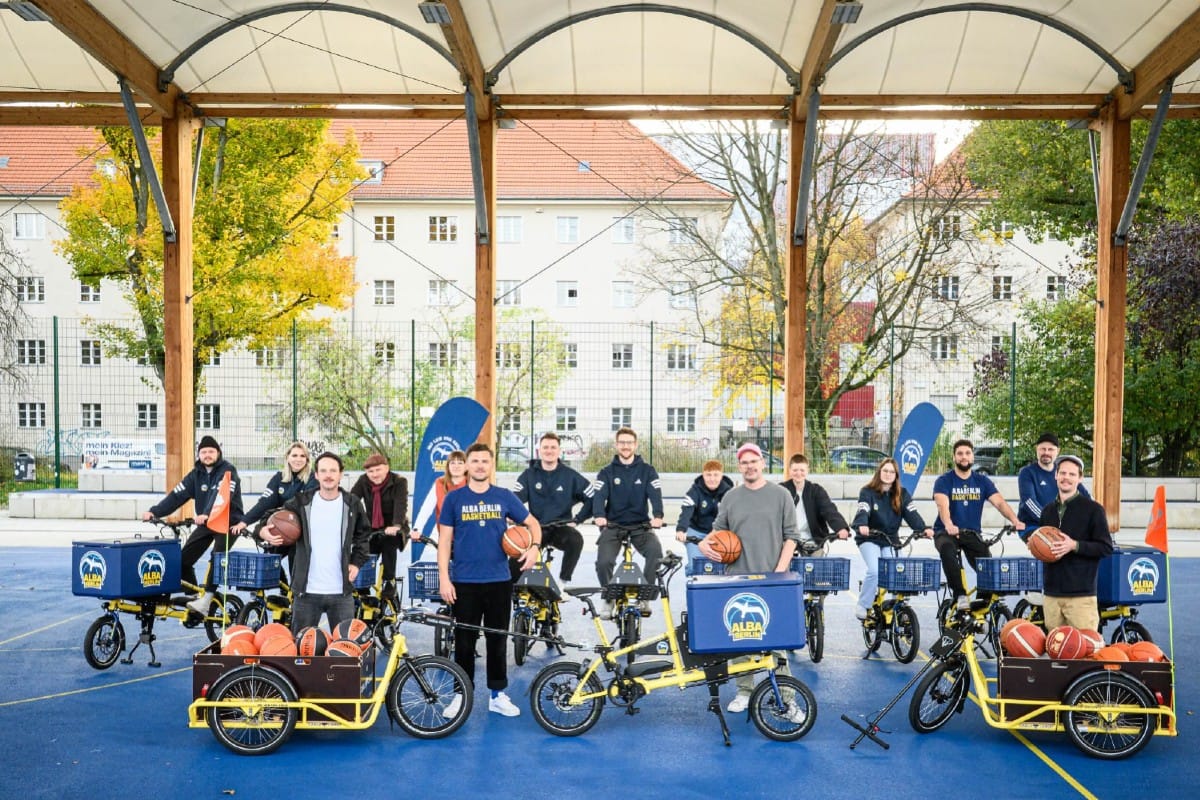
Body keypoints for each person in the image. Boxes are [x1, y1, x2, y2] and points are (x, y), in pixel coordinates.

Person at [438, 443, 541, 717]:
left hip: (498, 580)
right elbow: (445, 541)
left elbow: (533, 523)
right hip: (464, 581)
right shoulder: (454, 499)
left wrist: (534, 547)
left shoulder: (504, 496)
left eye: (485, 461)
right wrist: (444, 579)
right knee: (464, 642)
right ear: (467, 465)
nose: (480, 465)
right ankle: (461, 694)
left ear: (491, 465)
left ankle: (497, 695)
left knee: (498, 641)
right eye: (475, 461)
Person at [702, 443, 802, 718]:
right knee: (740, 639)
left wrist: (779, 573)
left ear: (762, 462)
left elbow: (791, 537)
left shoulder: (781, 495)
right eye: (744, 462)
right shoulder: (731, 498)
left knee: (776, 640)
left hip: (772, 579)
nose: (749, 466)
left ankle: (787, 697)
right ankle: (744, 691)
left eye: (753, 461)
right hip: (737, 578)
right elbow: (717, 532)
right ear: (739, 466)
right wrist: (703, 545)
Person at [259, 451, 372, 630]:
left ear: (341, 474)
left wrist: (356, 563)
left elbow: (364, 536)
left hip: (341, 592)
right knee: (301, 650)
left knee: (343, 649)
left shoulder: (352, 504)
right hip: (306, 593)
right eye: (324, 471)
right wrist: (262, 531)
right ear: (317, 475)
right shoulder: (302, 502)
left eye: (333, 471)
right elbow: (269, 516)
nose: (328, 475)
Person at [142, 435, 243, 614]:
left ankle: (207, 599)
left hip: (228, 522)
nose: (207, 455)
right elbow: (177, 495)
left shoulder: (228, 470)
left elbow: (220, 494)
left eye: (211, 451)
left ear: (218, 453)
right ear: (199, 455)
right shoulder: (196, 474)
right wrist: (155, 512)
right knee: (182, 560)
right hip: (207, 522)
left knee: (217, 557)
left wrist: (206, 513)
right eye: (203, 452)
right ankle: (193, 595)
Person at [932, 440, 1023, 610]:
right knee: (947, 551)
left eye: (967, 453)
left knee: (985, 563)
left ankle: (981, 603)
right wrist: (949, 524)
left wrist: (1015, 521)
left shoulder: (982, 481)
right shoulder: (944, 480)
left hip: (971, 532)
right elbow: (942, 506)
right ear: (954, 457)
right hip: (946, 532)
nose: (964, 457)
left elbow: (1000, 503)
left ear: (972, 456)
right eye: (960, 454)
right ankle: (960, 596)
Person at [589, 427, 664, 615]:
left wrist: (658, 516)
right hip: (613, 525)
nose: (625, 446)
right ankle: (609, 597)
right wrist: (599, 515)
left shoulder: (648, 471)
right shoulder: (606, 472)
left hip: (641, 526)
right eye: (622, 442)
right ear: (616, 445)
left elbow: (655, 494)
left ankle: (644, 596)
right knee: (603, 562)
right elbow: (599, 496)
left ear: (635, 445)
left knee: (656, 554)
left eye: (629, 443)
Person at [850, 457, 933, 621]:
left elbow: (912, 513)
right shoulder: (867, 492)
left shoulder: (902, 494)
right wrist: (862, 524)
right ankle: (863, 604)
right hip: (870, 538)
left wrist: (923, 529)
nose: (888, 474)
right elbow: (863, 509)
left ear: (896, 475)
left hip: (890, 539)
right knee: (875, 570)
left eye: (892, 472)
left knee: (898, 570)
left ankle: (898, 607)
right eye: (885, 471)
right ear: (879, 472)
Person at [1038, 454, 1113, 631]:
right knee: (1056, 653)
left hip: (1080, 596)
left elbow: (1105, 547)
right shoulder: (1047, 511)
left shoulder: (1093, 509)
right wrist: (1036, 547)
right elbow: (1044, 547)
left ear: (1080, 478)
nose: (1066, 478)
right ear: (1055, 476)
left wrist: (1075, 545)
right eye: (1062, 473)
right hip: (1052, 595)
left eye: (1072, 474)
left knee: (1085, 653)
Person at [512, 432, 590, 582]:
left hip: (560, 528)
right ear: (539, 450)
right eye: (545, 447)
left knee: (576, 540)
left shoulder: (570, 476)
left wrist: (578, 519)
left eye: (553, 447)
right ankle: (512, 590)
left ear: (559, 451)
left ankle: (563, 582)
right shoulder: (528, 475)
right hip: (536, 528)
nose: (549, 450)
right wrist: (514, 517)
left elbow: (592, 498)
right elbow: (515, 500)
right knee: (514, 564)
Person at [350, 452, 409, 602]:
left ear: (387, 468)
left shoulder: (399, 481)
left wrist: (396, 525)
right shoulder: (363, 481)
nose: (374, 474)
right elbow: (352, 501)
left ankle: (389, 581)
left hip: (393, 525)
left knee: (389, 543)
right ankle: (362, 585)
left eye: (378, 470)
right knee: (363, 548)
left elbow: (400, 505)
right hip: (372, 526)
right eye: (370, 471)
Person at [233, 441, 317, 535]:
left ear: (307, 459)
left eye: (302, 456)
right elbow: (265, 503)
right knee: (265, 529)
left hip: (304, 527)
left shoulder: (313, 478)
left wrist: (282, 511)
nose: (298, 459)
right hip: (283, 525)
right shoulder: (279, 477)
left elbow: (304, 504)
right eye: (294, 455)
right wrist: (244, 522)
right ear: (287, 458)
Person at [1017, 432, 1090, 536]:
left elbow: (1087, 498)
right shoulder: (1027, 472)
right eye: (1043, 449)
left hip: (1061, 526)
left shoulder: (1064, 472)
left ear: (1058, 451)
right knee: (1054, 546)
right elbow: (1029, 502)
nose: (1046, 452)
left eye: (1050, 449)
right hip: (1033, 525)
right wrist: (1052, 522)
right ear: (1037, 449)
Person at [779, 453, 850, 556]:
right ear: (789, 471)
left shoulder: (816, 490)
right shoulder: (782, 490)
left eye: (802, 470)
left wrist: (840, 527)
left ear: (807, 471)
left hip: (813, 539)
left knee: (817, 565)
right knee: (784, 566)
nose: (799, 473)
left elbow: (829, 509)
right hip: (788, 540)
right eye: (795, 470)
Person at [675, 459, 733, 575]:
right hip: (696, 532)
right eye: (708, 475)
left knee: (723, 568)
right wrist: (681, 529)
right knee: (695, 566)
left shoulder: (729, 492)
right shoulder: (694, 491)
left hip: (718, 533)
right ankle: (692, 580)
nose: (712, 479)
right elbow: (687, 511)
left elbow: (734, 514)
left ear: (721, 475)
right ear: (703, 475)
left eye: (716, 475)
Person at [414, 450, 467, 543]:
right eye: (452, 463)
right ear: (448, 466)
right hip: (445, 537)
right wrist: (417, 529)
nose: (456, 466)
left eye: (460, 463)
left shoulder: (472, 484)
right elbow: (426, 508)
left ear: (466, 467)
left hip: (468, 537)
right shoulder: (440, 483)